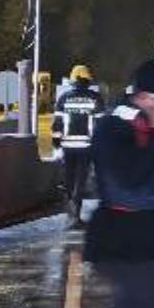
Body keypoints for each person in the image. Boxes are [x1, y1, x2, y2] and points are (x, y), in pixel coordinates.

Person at [85, 59, 154, 308]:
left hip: (145, 248)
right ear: (145, 97)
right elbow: (128, 182)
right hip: (127, 247)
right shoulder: (115, 126)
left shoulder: (142, 124)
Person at [52, 64, 105, 226]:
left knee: (69, 178)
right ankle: (76, 216)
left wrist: (56, 144)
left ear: (73, 80)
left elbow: (57, 125)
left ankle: (71, 214)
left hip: (68, 147)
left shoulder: (63, 98)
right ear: (88, 80)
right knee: (80, 180)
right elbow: (100, 125)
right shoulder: (95, 98)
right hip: (86, 147)